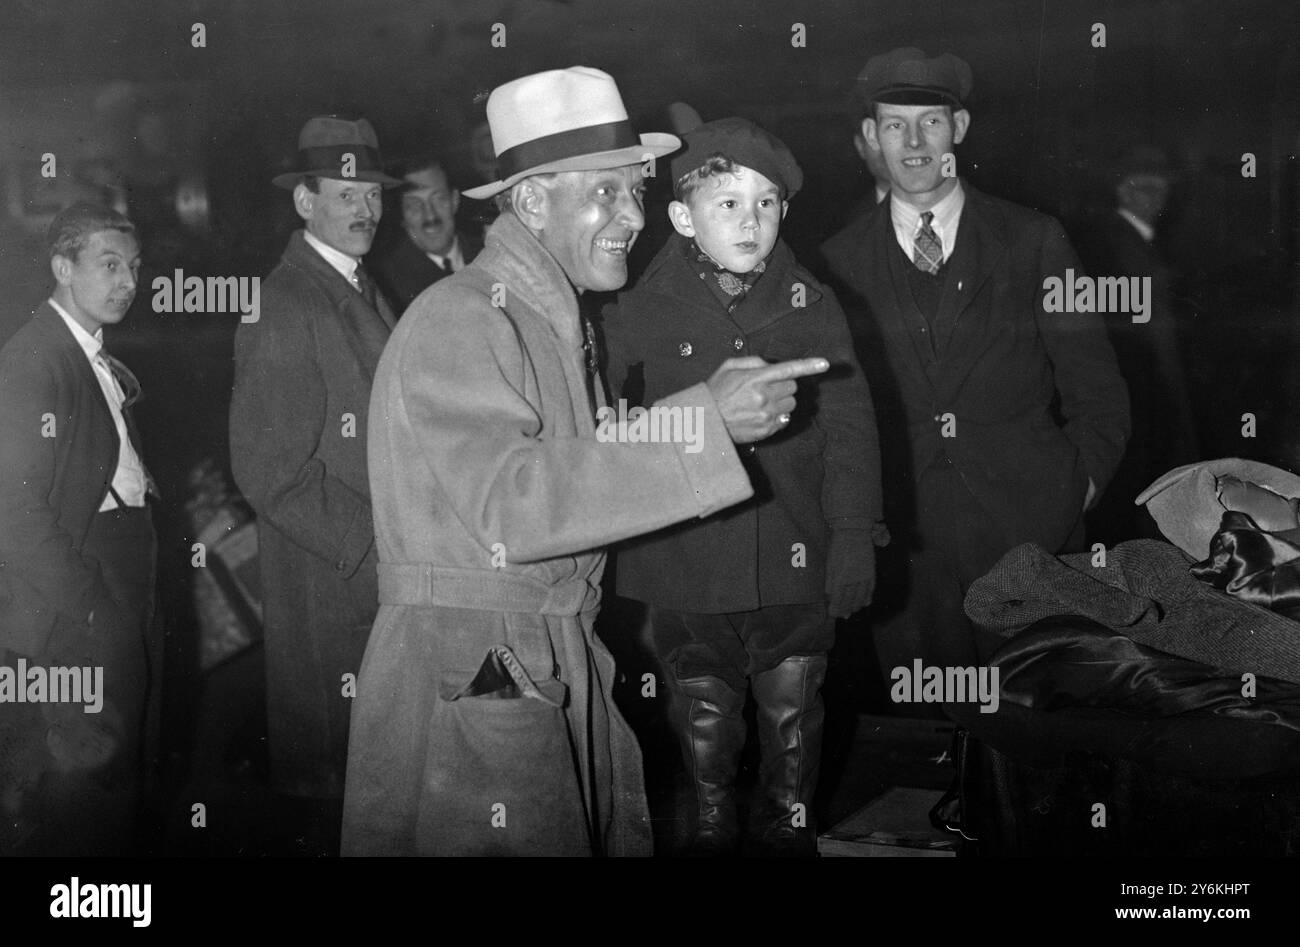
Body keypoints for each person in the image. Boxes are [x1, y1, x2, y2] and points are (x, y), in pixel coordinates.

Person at [341, 66, 829, 856]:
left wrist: (706, 414)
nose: (633, 217)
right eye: (604, 192)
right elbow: (513, 500)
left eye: (636, 190)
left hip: (528, 655)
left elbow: (573, 459)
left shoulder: (549, 320)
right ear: (531, 201)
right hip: (477, 665)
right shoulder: (461, 318)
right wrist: (704, 424)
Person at [600, 117, 884, 856]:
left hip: (795, 543)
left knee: (793, 698)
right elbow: (603, 417)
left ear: (785, 212)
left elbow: (852, 425)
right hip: (682, 550)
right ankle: (710, 817)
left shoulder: (812, 303)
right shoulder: (635, 303)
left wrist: (854, 533)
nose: (749, 219)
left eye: (765, 202)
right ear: (681, 217)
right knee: (701, 702)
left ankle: (789, 816)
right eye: (727, 203)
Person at [821, 48, 1129, 690]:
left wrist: (1079, 485)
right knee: (928, 729)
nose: (912, 142)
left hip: (1029, 528)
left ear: (958, 131)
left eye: (930, 122)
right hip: (908, 544)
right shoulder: (835, 261)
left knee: (1035, 724)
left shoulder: (1034, 239)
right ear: (872, 136)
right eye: (894, 123)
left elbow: (1096, 387)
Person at [228, 115, 401, 853]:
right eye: (344, 193)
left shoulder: (360, 285)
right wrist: (374, 544)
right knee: (340, 804)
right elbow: (270, 471)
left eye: (371, 193)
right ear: (304, 203)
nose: (364, 209)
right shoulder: (285, 301)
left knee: (376, 794)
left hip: (370, 587)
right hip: (337, 593)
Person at [0, 203, 160, 855]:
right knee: (88, 773)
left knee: (117, 763)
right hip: (82, 587)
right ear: (63, 267)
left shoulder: (84, 349)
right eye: (110, 264)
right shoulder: (34, 359)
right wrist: (86, 603)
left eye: (135, 267)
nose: (128, 281)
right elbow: (12, 506)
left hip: (117, 570)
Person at [1082, 145, 1199, 544]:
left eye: (1159, 187)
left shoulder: (1136, 243)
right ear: (1122, 191)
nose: (1152, 197)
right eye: (1142, 187)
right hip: (1144, 401)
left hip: (1145, 401)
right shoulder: (1121, 246)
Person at [370, 157, 482, 313]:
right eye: (415, 205)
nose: (430, 216)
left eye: (438, 199)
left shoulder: (488, 254)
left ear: (455, 200)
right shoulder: (386, 283)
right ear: (402, 214)